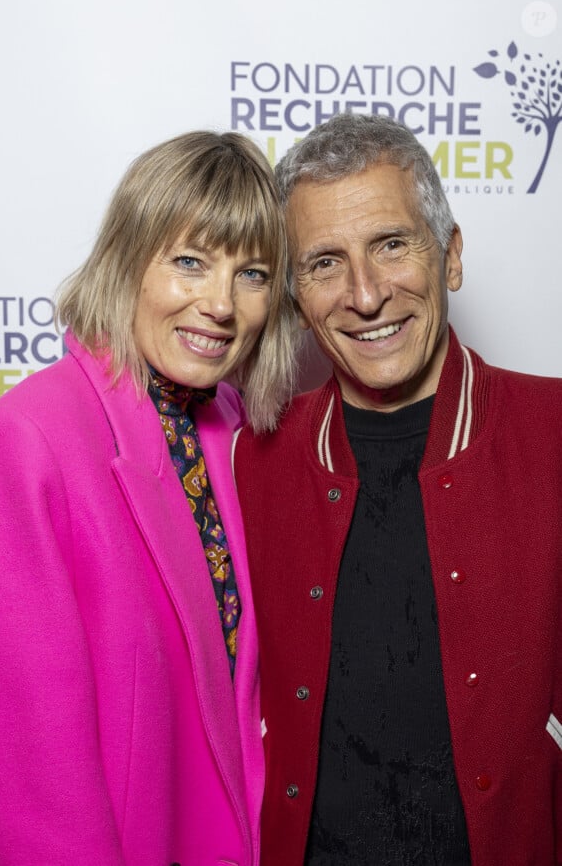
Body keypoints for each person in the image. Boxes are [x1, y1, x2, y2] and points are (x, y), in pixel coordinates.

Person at [233, 113, 562, 866]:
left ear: (448, 256)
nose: (366, 294)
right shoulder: (253, 460)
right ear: (294, 293)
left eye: (391, 245)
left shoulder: (554, 433)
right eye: (323, 263)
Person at [0, 130, 296, 865]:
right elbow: (36, 774)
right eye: (189, 262)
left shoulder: (235, 428)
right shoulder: (26, 440)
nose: (220, 304)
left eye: (251, 274)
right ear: (128, 258)